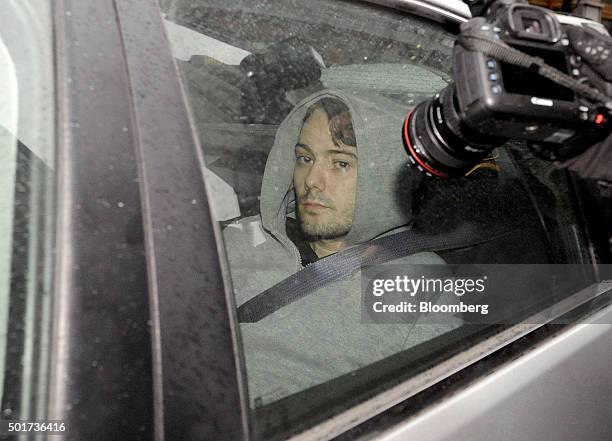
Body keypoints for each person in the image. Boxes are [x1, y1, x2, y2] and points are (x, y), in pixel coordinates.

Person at [223, 89, 459, 406]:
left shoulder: (422, 286)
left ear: (385, 174)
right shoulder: (238, 237)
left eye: (341, 163)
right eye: (305, 158)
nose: (311, 181)